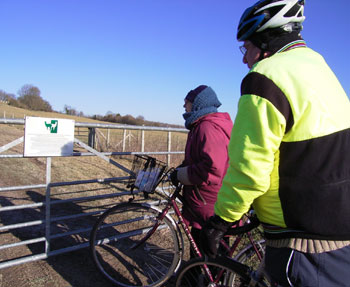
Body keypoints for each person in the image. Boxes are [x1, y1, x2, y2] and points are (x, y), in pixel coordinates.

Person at [200, 0, 350, 286]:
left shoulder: (265, 78)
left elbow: (249, 167)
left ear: (265, 40)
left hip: (302, 242)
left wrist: (220, 221)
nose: (245, 58)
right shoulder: (320, 69)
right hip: (340, 230)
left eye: (246, 47)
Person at [170, 85, 233, 255]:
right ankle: (194, 278)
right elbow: (199, 158)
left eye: (187, 102)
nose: (184, 107)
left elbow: (212, 168)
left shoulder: (208, 127)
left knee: (208, 253)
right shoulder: (200, 124)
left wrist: (183, 174)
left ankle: (202, 279)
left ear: (198, 104)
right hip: (206, 199)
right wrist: (183, 168)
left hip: (207, 203)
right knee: (203, 249)